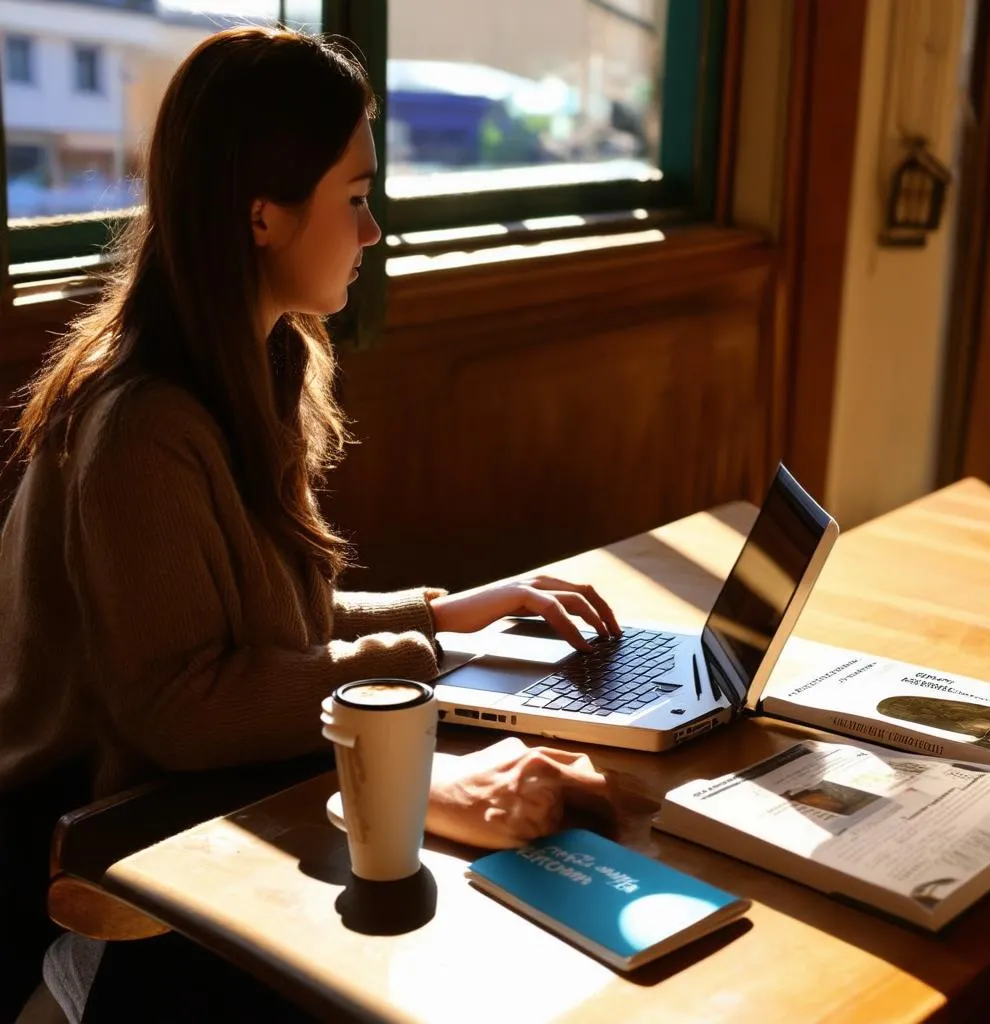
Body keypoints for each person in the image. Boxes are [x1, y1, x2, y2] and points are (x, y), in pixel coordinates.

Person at [0, 26, 654, 1022]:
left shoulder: (259, 365)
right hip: (97, 860)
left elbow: (264, 629)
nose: (373, 230)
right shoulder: (140, 425)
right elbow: (183, 702)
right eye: (353, 199)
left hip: (205, 801)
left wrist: (447, 618)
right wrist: (416, 670)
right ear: (263, 216)